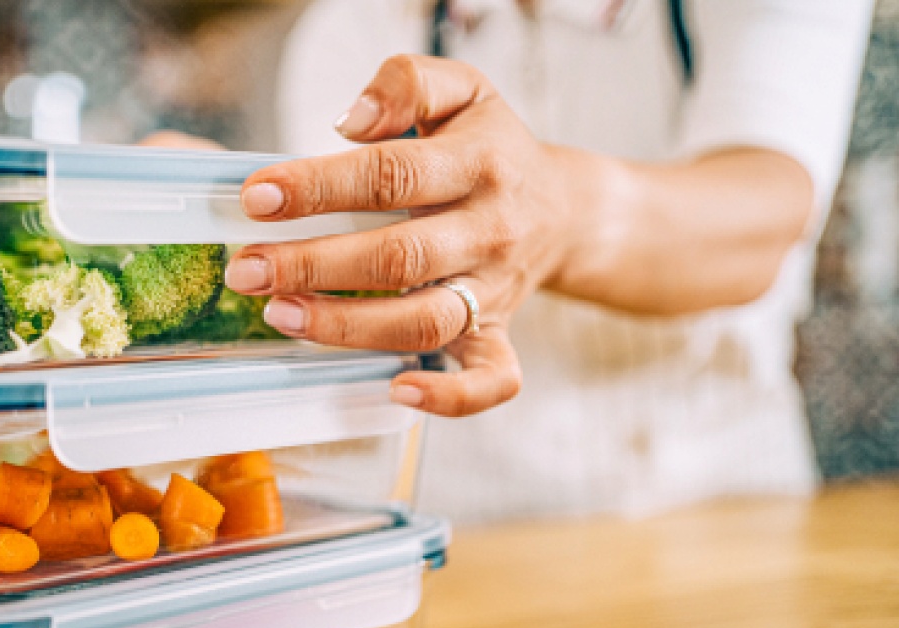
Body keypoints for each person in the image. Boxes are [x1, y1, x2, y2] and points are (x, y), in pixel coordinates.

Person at [149, 0, 874, 521]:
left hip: (728, 520)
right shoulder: (350, 26)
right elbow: (365, 285)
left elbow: (765, 217)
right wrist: (228, 232)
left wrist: (555, 213)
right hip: (463, 535)